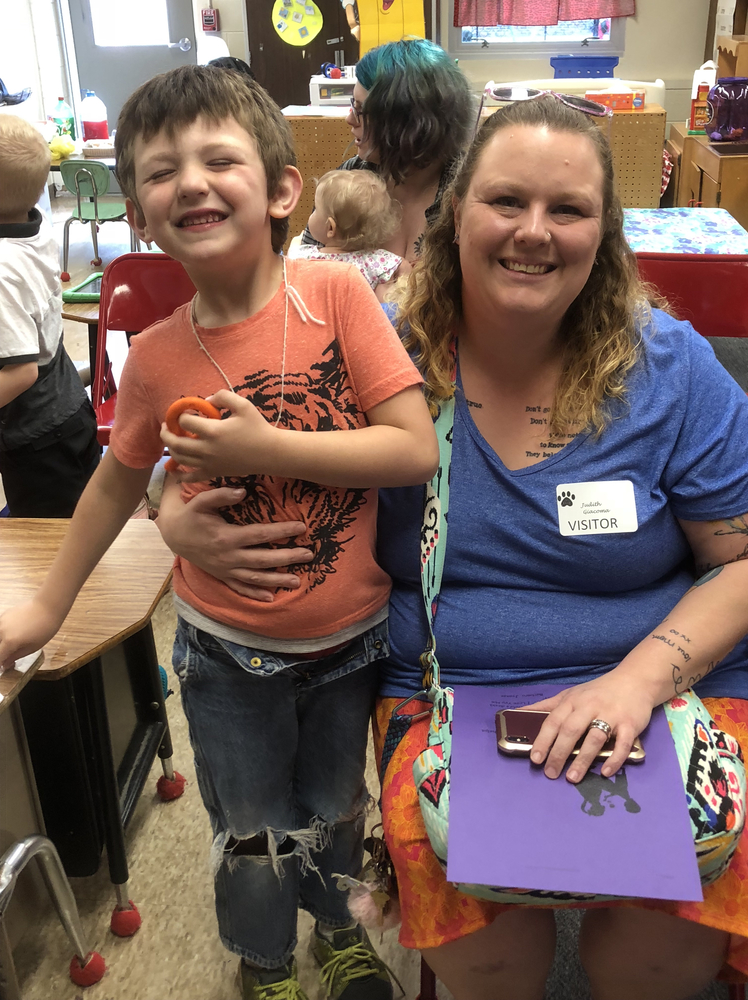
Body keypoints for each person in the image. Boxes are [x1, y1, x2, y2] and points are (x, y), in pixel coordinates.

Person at [155, 95, 748, 1000]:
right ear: (454, 210)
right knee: (485, 962)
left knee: (660, 957)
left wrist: (637, 682)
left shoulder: (668, 368)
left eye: (570, 210)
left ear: (607, 231)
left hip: (670, 686)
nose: (534, 233)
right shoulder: (374, 354)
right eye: (507, 201)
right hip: (446, 694)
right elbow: (219, 425)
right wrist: (168, 507)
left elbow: (740, 560)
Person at [0, 65, 439, 1000]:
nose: (190, 181)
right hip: (225, 650)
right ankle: (266, 959)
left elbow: (411, 452)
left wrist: (267, 441)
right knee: (247, 823)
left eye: (218, 158)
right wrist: (45, 604)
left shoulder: (339, 301)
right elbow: (117, 482)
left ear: (282, 189)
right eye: (160, 172)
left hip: (348, 640)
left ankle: (339, 934)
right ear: (139, 213)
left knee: (334, 807)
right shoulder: (156, 355)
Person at [0, 113, 99, 516]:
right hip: (66, 409)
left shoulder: (3, 269)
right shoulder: (32, 226)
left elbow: (20, 372)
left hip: (40, 438)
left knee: (52, 537)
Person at [302, 38, 473, 263]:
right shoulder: (349, 180)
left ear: (408, 123)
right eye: (353, 105)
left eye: (361, 109)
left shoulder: (466, 188)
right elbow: (306, 261)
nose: (349, 119)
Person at [290, 170, 410, 300]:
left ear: (331, 227)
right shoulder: (378, 262)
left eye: (316, 209)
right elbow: (403, 266)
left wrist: (295, 244)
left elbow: (288, 268)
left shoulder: (306, 257)